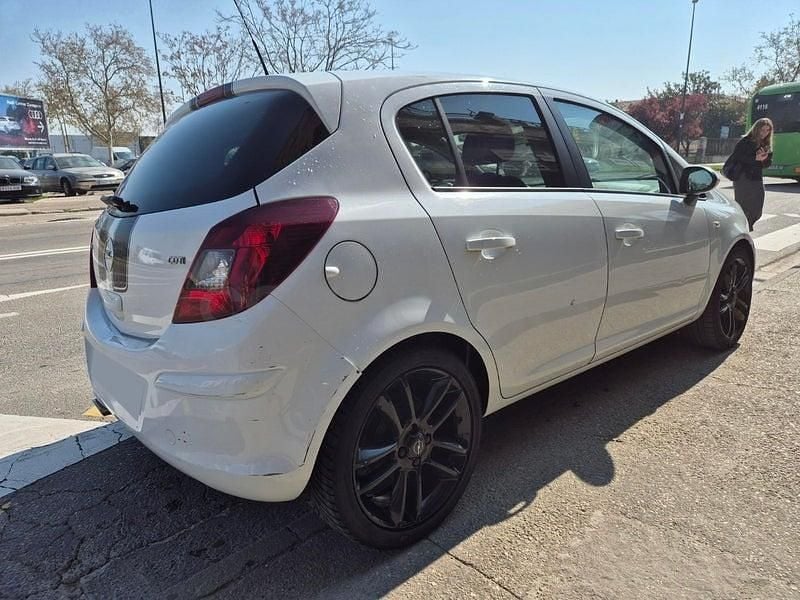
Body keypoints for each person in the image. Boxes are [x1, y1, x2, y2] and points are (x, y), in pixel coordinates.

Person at [725, 118, 773, 231]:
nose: (764, 133)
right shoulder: (746, 141)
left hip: (756, 177)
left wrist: (763, 160)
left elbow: (767, 163)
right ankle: (742, 229)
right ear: (756, 129)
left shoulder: (766, 143)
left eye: (767, 131)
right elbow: (737, 157)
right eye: (762, 130)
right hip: (742, 177)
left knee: (757, 207)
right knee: (743, 205)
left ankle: (746, 226)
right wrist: (755, 158)